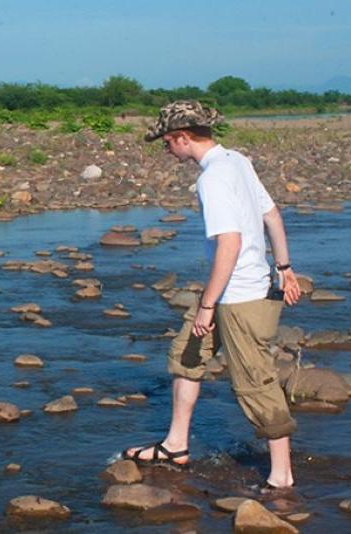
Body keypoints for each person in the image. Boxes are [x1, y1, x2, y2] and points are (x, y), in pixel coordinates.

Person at [123, 100, 304, 491]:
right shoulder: (237, 160)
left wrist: (207, 305)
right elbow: (271, 215)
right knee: (186, 354)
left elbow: (230, 243)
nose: (166, 151)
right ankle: (175, 445)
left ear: (182, 138)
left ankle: (281, 476)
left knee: (254, 382)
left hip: (241, 298)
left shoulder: (214, 178)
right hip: (232, 290)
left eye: (166, 143)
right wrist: (285, 268)